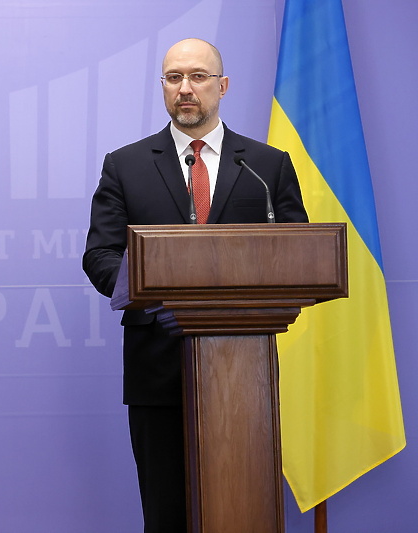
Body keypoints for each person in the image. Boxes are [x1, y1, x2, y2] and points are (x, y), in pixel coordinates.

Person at [82, 38, 308, 532]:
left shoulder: (266, 167)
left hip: (244, 375)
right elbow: (99, 256)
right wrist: (157, 292)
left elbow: (299, 253)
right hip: (156, 368)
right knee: (166, 512)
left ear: (222, 86)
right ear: (163, 87)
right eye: (173, 78)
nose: (186, 89)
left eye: (198, 77)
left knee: (245, 508)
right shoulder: (126, 165)